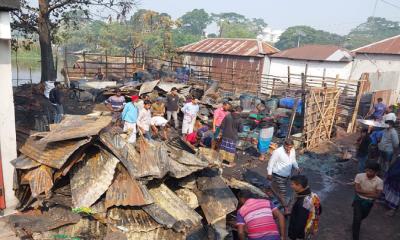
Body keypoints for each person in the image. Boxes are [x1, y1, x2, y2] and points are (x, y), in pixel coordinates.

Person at [352, 163, 383, 240]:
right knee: (358, 218)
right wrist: (372, 193)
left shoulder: (379, 181)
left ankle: (355, 223)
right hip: (358, 200)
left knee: (363, 216)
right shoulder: (359, 176)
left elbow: (377, 195)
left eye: (371, 171)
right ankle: (355, 237)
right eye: (367, 170)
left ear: (376, 172)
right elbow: (357, 190)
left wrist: (362, 192)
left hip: (369, 203)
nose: (368, 172)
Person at [267, 139, 300, 208]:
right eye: (287, 147)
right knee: (283, 193)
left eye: (290, 147)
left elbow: (293, 160)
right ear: (284, 145)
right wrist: (269, 173)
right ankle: (286, 208)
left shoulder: (292, 150)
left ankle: (270, 189)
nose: (289, 149)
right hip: (278, 175)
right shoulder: (277, 152)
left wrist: (297, 167)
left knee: (279, 188)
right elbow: (271, 162)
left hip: (287, 175)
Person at [288, 175, 322, 240]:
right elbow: (319, 210)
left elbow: (300, 223)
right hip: (308, 228)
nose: (291, 186)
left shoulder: (302, 203)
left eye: (292, 184)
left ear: (300, 186)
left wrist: (292, 236)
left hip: (300, 234)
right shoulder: (313, 195)